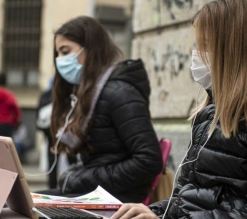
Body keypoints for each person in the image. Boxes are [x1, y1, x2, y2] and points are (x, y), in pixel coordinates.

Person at [112, 0, 247, 219]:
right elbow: (188, 199)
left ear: (235, 51)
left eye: (206, 46)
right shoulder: (209, 114)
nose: (197, 55)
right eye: (198, 46)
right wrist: (153, 211)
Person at [41, 16, 163, 203]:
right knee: (15, 204)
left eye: (65, 52)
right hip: (97, 196)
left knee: (14, 211)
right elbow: (100, 161)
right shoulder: (92, 91)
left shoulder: (119, 93)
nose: (60, 60)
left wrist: (82, 180)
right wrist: (77, 177)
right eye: (57, 54)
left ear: (90, 49)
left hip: (117, 201)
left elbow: (148, 161)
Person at [36, 77, 77, 189]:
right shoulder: (68, 95)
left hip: (54, 134)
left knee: (55, 160)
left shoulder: (48, 95)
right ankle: (72, 183)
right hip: (62, 133)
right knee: (70, 160)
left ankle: (54, 185)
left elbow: (39, 116)